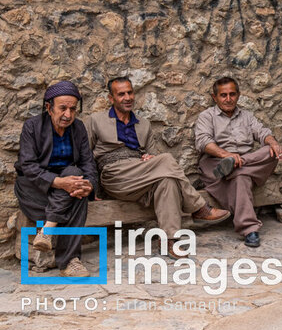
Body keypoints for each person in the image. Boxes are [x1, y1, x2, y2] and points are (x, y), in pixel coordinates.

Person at [85, 77, 231, 258]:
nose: (127, 97)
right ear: (111, 98)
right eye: (121, 94)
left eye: (130, 92)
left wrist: (150, 158)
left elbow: (153, 155)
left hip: (142, 175)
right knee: (167, 159)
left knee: (168, 180)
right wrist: (93, 188)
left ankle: (169, 240)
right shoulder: (96, 120)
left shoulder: (143, 124)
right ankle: (199, 208)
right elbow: (86, 155)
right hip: (115, 175)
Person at [14, 81, 99, 277]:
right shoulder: (32, 126)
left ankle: (48, 229)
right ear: (48, 108)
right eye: (62, 108)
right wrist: (59, 182)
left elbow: (88, 164)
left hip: (67, 187)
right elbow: (28, 166)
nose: (68, 115)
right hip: (35, 188)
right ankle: (70, 261)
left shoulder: (78, 128)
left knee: (76, 185)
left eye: (72, 109)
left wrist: (89, 186)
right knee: (73, 189)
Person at [194, 77, 282, 247]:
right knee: (242, 178)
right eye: (223, 95)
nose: (228, 99)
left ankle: (237, 165)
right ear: (215, 97)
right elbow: (203, 142)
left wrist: (272, 142)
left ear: (238, 95)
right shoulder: (207, 116)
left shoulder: (247, 116)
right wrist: (225, 155)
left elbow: (262, 132)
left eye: (232, 94)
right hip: (216, 163)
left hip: (243, 163)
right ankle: (250, 229)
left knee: (270, 153)